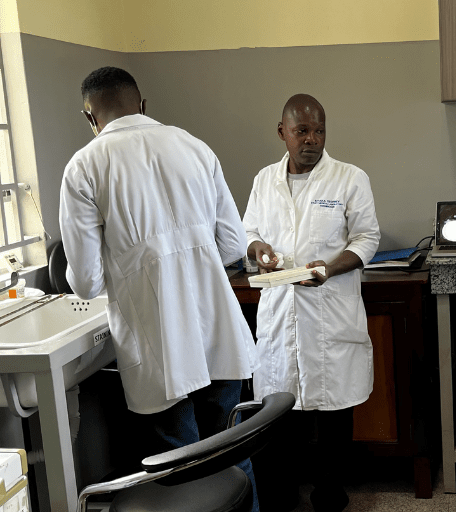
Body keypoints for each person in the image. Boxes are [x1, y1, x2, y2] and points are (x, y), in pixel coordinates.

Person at [59, 67, 259, 510]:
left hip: (159, 348)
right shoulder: (194, 147)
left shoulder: (84, 166)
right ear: (143, 104)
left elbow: (87, 282)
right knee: (231, 456)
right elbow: (232, 246)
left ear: (89, 116)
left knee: (183, 475)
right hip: (218, 331)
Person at [242, 93, 380, 512]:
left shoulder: (349, 178)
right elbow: (247, 231)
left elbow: (367, 238)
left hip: (329, 310)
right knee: (281, 417)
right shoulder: (264, 179)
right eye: (302, 130)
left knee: (333, 416)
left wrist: (332, 268)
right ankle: (282, 498)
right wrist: (257, 248)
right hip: (281, 313)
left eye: (319, 130)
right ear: (282, 132)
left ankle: (330, 497)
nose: (312, 139)